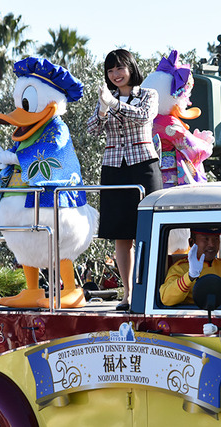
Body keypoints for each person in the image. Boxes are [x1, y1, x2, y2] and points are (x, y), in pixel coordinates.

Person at [87, 49, 162, 311]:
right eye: (110, 70)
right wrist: (103, 109)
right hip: (114, 168)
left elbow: (144, 116)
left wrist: (115, 104)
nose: (115, 74)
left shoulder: (148, 94)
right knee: (121, 235)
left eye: (119, 68)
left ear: (130, 68)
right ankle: (128, 294)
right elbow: (92, 130)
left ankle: (154, 291)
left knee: (149, 231)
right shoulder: (107, 98)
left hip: (143, 166)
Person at [160, 228, 221, 306]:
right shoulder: (180, 267)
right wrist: (190, 276)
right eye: (206, 239)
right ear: (191, 242)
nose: (212, 244)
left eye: (216, 239)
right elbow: (166, 299)